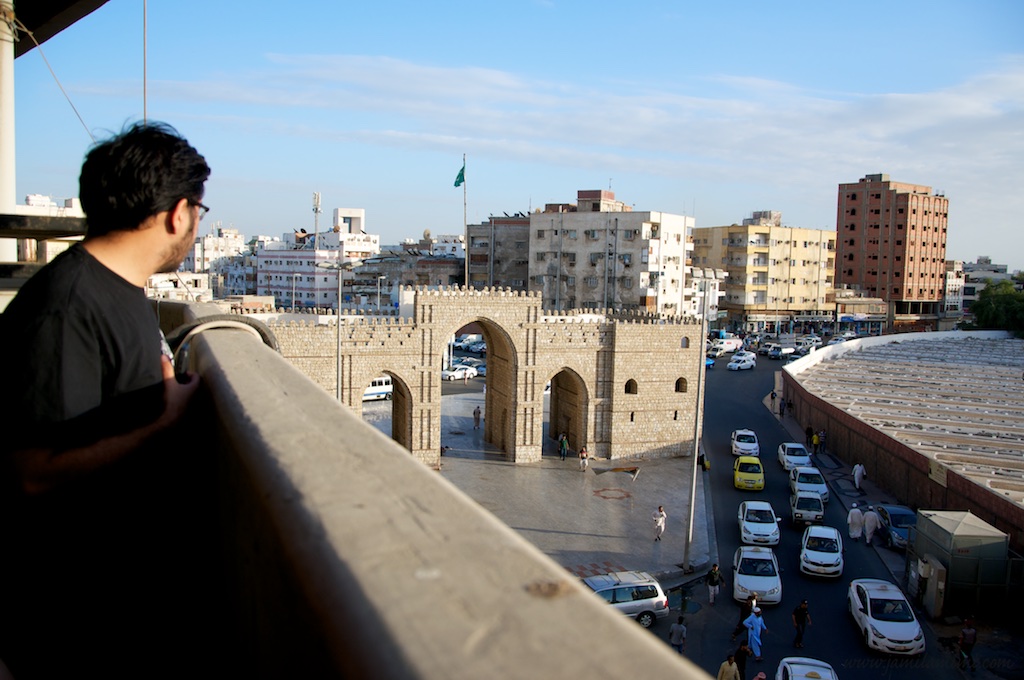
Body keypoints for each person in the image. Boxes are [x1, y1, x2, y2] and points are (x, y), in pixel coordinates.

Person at [0, 122, 208, 677]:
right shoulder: (67, 307)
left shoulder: (124, 289)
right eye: (199, 214)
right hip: (73, 617)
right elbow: (29, 471)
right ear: (177, 213)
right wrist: (166, 418)